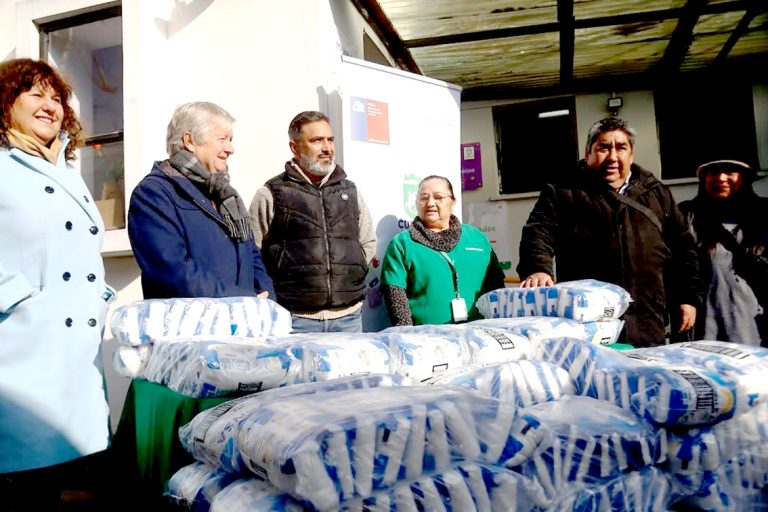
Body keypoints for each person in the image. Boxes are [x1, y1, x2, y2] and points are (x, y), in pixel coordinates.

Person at [0, 58, 115, 508]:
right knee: (26, 484)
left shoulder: (67, 172)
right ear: (6, 104)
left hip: (74, 355)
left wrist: (99, 297)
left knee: (65, 483)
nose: (50, 105)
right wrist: (17, 299)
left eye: (57, 98)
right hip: (21, 351)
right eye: (35, 94)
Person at [517, 117, 701, 347]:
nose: (613, 156)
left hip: (647, 321)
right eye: (603, 148)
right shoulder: (563, 192)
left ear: (631, 155)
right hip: (589, 325)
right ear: (588, 153)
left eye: (621, 148)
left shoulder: (657, 194)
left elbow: (684, 249)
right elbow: (538, 233)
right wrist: (537, 269)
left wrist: (688, 298)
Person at [128, 101, 274, 300]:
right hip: (193, 319)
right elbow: (171, 270)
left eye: (230, 139)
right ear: (189, 141)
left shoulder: (225, 195)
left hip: (243, 315)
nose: (230, 148)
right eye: (222, 139)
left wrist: (266, 300)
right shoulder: (153, 194)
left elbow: (252, 257)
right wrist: (240, 299)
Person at [249, 111, 375, 332]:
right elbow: (252, 251)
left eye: (330, 139)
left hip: (349, 318)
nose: (327, 148)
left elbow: (368, 241)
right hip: (294, 319)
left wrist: (351, 273)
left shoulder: (350, 191)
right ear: (295, 147)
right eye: (317, 140)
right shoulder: (271, 193)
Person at [380, 175, 506, 325]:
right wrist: (408, 333)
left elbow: (497, 287)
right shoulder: (403, 244)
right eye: (423, 198)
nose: (430, 203)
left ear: (453, 201)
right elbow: (394, 294)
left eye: (438, 197)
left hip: (478, 333)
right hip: (427, 336)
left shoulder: (477, 238)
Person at [679, 159, 768, 345]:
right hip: (706, 338)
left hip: (757, 336)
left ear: (745, 178)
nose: (720, 178)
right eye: (713, 173)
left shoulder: (764, 216)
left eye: (730, 171)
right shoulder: (687, 218)